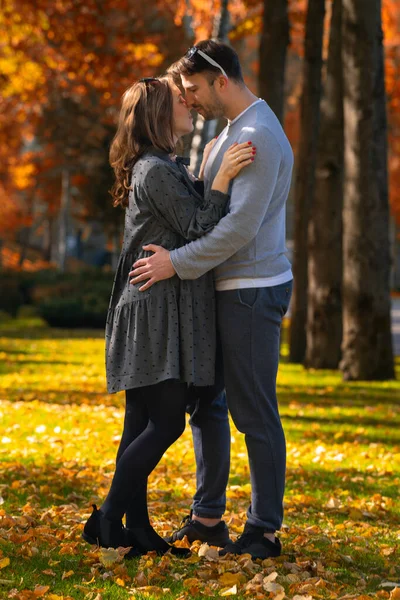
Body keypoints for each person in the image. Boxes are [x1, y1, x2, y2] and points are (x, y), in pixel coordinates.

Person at [129, 40, 294, 560]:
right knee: (207, 405)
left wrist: (173, 263)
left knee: (254, 412)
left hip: (250, 290)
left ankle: (264, 530)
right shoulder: (228, 136)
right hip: (222, 289)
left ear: (221, 79)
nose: (191, 100)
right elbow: (205, 206)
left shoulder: (260, 135)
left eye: (195, 89)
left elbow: (239, 228)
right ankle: (207, 518)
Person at [81, 75, 255, 557]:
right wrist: (220, 181)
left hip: (152, 307)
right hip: (153, 311)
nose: (187, 102)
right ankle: (108, 519)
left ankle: (136, 529)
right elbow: (200, 226)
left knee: (140, 423)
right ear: (159, 114)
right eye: (177, 100)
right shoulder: (155, 170)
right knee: (166, 422)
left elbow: (183, 225)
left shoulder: (161, 166)